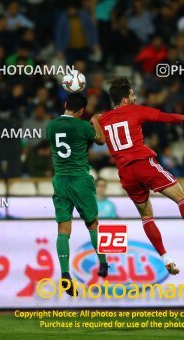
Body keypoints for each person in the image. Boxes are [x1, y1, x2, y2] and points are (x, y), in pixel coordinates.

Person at [99, 78, 184, 275]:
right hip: (143, 164)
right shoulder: (134, 110)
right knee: (181, 196)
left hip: (125, 173)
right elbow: (162, 117)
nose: (135, 98)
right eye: (132, 95)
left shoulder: (104, 119)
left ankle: (165, 257)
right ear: (124, 99)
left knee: (146, 216)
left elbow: (97, 137)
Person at [46, 93, 108, 297]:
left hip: (60, 180)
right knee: (92, 224)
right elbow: (100, 140)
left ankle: (65, 274)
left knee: (63, 229)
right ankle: (103, 264)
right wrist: (96, 121)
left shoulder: (51, 126)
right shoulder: (83, 126)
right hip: (79, 179)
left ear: (65, 104)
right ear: (82, 111)